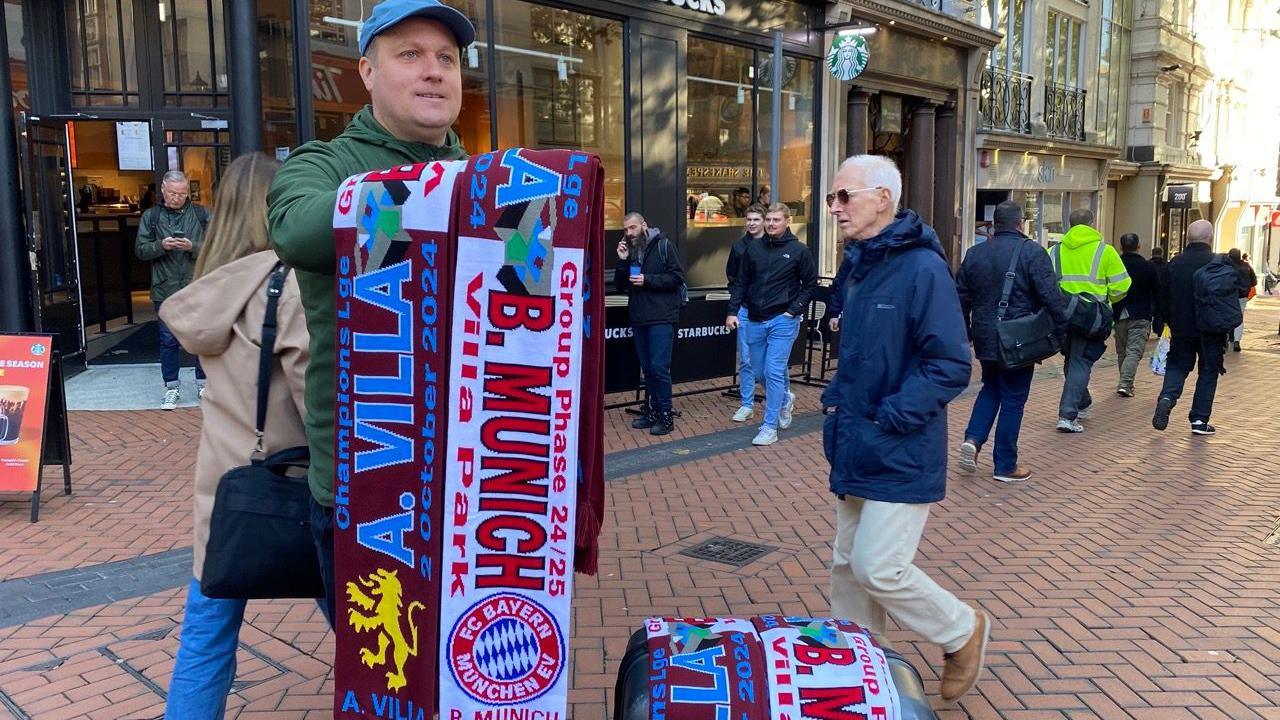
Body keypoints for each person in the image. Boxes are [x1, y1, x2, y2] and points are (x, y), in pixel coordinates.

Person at [268, 0, 474, 625]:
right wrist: (440, 189)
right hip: (372, 487)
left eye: (446, 58)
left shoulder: (486, 176)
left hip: (478, 482)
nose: (433, 71)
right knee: (390, 674)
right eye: (409, 55)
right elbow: (298, 229)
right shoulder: (325, 164)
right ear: (366, 71)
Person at [822, 155, 987, 705]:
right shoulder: (861, 265)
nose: (835, 207)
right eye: (833, 198)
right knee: (847, 566)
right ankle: (862, 668)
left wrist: (890, 415)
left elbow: (950, 365)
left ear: (882, 199)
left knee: (878, 565)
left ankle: (961, 630)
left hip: (899, 444)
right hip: (856, 441)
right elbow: (861, 355)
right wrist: (838, 402)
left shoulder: (921, 268)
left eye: (845, 196)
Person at [159, 154, 309, 718]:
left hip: (222, 489)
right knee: (361, 619)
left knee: (206, 633)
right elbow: (313, 398)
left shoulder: (210, 283)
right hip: (291, 482)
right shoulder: (286, 285)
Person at [955, 201, 1067, 482]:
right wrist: (1062, 331)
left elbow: (961, 298)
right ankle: (1005, 464)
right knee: (1014, 399)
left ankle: (973, 438)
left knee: (990, 387)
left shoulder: (975, 253)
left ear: (994, 225)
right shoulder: (1032, 252)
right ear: (1020, 224)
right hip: (1017, 338)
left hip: (984, 336)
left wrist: (967, 333)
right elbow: (1051, 296)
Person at [726, 203, 816, 446]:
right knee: (757, 371)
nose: (771, 224)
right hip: (754, 318)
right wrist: (732, 311)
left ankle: (769, 426)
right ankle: (785, 399)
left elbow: (809, 285)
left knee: (773, 371)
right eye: (769, 220)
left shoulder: (799, 251)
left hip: (782, 320)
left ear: (787, 221)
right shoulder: (753, 249)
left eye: (777, 220)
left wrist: (793, 310)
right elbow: (741, 283)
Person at [1153, 220, 1245, 435]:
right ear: (1210, 239)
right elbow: (1239, 290)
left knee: (1177, 366)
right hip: (1212, 328)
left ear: (1187, 238)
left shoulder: (1175, 264)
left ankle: (1167, 397)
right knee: (1208, 371)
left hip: (1182, 328)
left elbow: (1162, 298)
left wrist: (1170, 320)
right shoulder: (1219, 263)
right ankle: (1199, 420)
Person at [136, 170, 210, 410]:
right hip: (165, 287)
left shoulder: (201, 214)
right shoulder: (152, 216)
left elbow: (217, 246)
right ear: (163, 191)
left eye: (182, 193)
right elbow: (140, 250)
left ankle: (203, 384)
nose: (178, 198)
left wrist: (192, 246)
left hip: (196, 286)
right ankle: (171, 387)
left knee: (200, 337)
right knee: (168, 340)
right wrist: (161, 245)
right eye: (173, 193)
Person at [1051, 208, 1130, 433]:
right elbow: (1121, 287)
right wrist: (1106, 301)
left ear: (1069, 224)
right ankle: (1067, 415)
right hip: (1091, 317)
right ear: (1093, 223)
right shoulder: (1105, 252)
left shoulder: (1053, 252)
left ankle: (1082, 402)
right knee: (1080, 362)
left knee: (1072, 361)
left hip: (1062, 316)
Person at [616, 212, 685, 436]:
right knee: (647, 369)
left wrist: (649, 280)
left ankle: (665, 415)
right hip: (639, 316)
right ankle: (652, 410)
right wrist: (621, 260)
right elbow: (620, 286)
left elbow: (677, 277)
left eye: (633, 228)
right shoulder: (630, 250)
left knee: (659, 368)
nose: (629, 233)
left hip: (662, 316)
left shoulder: (663, 245)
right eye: (626, 230)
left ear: (644, 225)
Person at [726, 204, 767, 422]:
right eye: (748, 219)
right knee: (746, 358)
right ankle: (746, 403)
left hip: (770, 311)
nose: (751, 223)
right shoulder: (739, 247)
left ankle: (780, 398)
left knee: (770, 362)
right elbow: (732, 277)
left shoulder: (773, 245)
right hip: (745, 309)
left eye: (755, 220)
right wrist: (736, 303)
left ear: (764, 221)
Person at [1112, 233, 1160, 396]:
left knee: (1122, 351)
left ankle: (1125, 381)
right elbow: (1157, 290)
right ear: (1138, 246)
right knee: (1134, 351)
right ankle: (1125, 383)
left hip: (1119, 313)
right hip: (1140, 313)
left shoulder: (1115, 264)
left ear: (1121, 247)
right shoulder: (1148, 267)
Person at [1227, 248, 1257, 352]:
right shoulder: (1247, 266)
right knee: (1240, 317)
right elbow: (1254, 281)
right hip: (1243, 296)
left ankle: (1226, 339)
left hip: (1229, 296)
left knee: (1226, 315)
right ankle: (1236, 341)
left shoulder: (1227, 266)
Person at [1150, 246, 1168, 337]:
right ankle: (1158, 331)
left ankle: (1147, 331)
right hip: (1161, 293)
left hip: (1149, 293)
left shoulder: (1148, 264)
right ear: (1162, 254)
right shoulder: (1166, 266)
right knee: (1159, 313)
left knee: (1148, 312)